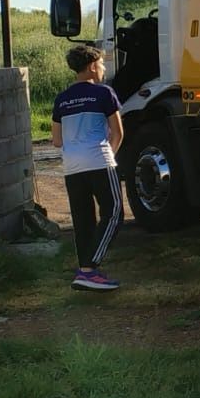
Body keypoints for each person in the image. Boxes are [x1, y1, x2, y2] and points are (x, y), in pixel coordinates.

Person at [50, 45, 125, 291]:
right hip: (98, 161)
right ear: (92, 65)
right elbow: (118, 132)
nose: (103, 69)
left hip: (72, 167)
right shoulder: (104, 93)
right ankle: (89, 268)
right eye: (101, 64)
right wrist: (108, 156)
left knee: (83, 221)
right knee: (113, 213)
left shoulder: (61, 99)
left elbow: (57, 140)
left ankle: (85, 271)